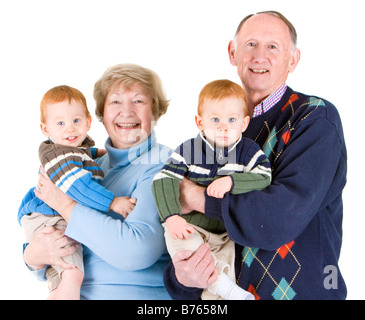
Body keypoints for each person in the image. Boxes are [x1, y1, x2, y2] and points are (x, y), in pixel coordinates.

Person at [164, 11, 347, 300]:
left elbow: (278, 218)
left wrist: (195, 198)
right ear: (232, 53)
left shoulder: (314, 119)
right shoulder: (214, 133)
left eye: (273, 46)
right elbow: (186, 235)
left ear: (293, 59)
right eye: (250, 44)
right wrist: (183, 279)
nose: (259, 56)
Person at [20, 63, 172, 300]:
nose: (127, 111)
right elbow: (55, 237)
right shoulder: (90, 166)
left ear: (156, 111)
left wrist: (66, 205)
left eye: (139, 101)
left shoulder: (162, 165)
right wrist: (33, 256)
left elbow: (135, 251)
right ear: (101, 114)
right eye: (115, 102)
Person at [152, 79, 271, 300]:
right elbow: (163, 179)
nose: (223, 127)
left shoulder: (248, 151)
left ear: (244, 123)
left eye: (232, 120)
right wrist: (171, 217)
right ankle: (228, 290)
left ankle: (224, 291)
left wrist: (232, 181)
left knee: (222, 275)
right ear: (200, 122)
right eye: (215, 119)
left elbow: (264, 177)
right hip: (189, 227)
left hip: (225, 232)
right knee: (188, 253)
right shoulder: (188, 150)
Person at [18, 85, 138, 299]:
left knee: (61, 277)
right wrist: (112, 203)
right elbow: (79, 188)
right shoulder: (60, 157)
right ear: (46, 129)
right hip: (49, 216)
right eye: (61, 123)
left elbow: (87, 155)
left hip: (48, 215)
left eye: (76, 121)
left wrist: (108, 152)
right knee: (72, 274)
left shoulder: (73, 149)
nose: (70, 129)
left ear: (88, 122)